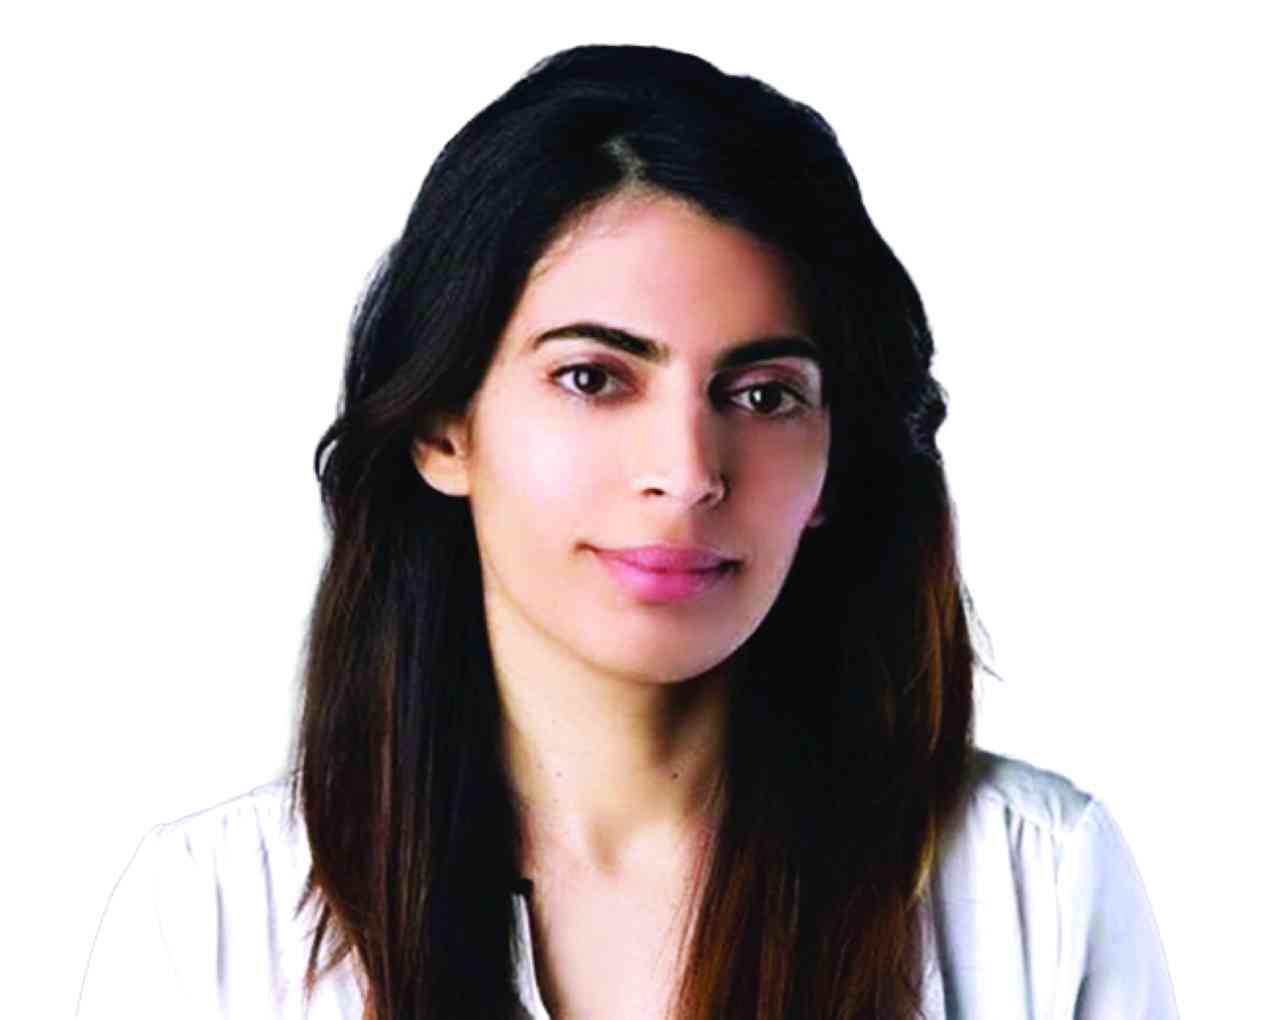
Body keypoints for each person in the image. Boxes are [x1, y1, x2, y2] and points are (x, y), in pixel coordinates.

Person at [76, 43, 1178, 1019]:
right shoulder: (212, 922)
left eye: (762, 395)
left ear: (836, 461)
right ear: (443, 428)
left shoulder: (1034, 884)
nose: (687, 474)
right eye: (593, 378)